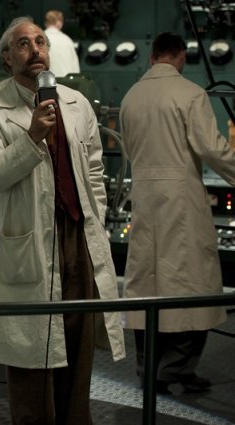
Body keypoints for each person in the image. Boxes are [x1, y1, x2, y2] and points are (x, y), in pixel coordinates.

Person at [0, 17, 125, 424]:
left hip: (77, 237)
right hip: (31, 243)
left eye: (40, 41)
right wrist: (31, 138)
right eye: (23, 44)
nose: (35, 49)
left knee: (77, 345)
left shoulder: (77, 104)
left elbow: (94, 172)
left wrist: (95, 218)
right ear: (7, 58)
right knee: (31, 355)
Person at [120, 32, 235, 394]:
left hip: (143, 200)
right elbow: (212, 149)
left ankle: (147, 366)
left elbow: (129, 150)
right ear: (181, 57)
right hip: (182, 202)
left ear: (152, 57)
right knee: (192, 284)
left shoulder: (130, 97)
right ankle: (176, 367)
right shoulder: (190, 94)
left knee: (146, 285)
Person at [44, 10, 80, 78]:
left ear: (46, 23)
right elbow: (75, 69)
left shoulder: (40, 39)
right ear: (59, 23)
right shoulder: (67, 40)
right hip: (66, 83)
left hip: (46, 82)